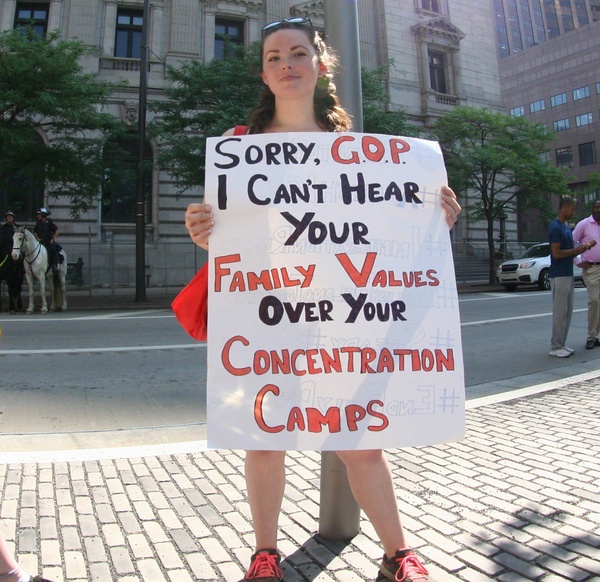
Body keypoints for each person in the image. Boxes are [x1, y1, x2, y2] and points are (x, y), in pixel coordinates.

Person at [185, 17, 461, 582]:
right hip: (267, 314)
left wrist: (436, 221)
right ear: (264, 73)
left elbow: (387, 235)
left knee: (358, 437)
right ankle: (265, 555)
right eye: (273, 57)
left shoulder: (360, 155)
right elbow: (236, 240)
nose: (286, 64)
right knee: (264, 437)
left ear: (320, 64)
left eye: (297, 53)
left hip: (340, 319)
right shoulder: (240, 150)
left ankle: (399, 554)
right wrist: (203, 230)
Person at [548, 196, 591, 358]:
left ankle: (561, 344)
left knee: (567, 311)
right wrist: (577, 251)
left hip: (567, 273)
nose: (573, 212)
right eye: (572, 209)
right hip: (559, 274)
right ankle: (556, 345)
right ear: (565, 207)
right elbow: (556, 253)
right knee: (560, 312)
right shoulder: (555, 227)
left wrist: (578, 258)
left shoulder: (565, 227)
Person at [572, 199, 600, 349]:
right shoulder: (584, 224)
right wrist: (578, 262)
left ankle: (596, 336)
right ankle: (591, 336)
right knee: (595, 301)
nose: (599, 209)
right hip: (592, 269)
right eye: (596, 207)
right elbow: (570, 242)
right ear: (592, 209)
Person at [32, 208, 60, 274]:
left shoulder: (50, 223)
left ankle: (55, 266)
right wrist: (38, 238)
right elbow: (35, 232)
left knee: (53, 251)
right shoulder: (38, 224)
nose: (37, 216)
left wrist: (53, 239)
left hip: (48, 241)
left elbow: (57, 231)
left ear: (43, 215)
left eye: (39, 214)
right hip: (40, 242)